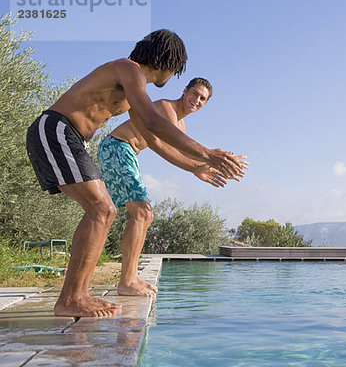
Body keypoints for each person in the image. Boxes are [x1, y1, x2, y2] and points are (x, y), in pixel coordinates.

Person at [26, 30, 248, 317]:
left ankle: (76, 296)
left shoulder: (134, 92)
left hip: (70, 137)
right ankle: (72, 298)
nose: (174, 76)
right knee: (102, 209)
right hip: (56, 130)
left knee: (104, 211)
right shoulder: (127, 69)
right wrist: (207, 154)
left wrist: (196, 166)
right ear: (167, 62)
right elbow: (155, 123)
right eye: (177, 70)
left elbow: (153, 139)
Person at [97, 77, 245, 298]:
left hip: (127, 153)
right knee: (141, 213)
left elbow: (178, 152)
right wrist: (209, 160)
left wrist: (205, 167)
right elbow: (164, 147)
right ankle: (127, 281)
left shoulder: (181, 124)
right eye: (194, 93)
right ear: (185, 91)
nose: (197, 100)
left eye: (202, 98)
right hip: (117, 148)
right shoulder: (167, 108)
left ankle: (131, 277)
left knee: (143, 215)